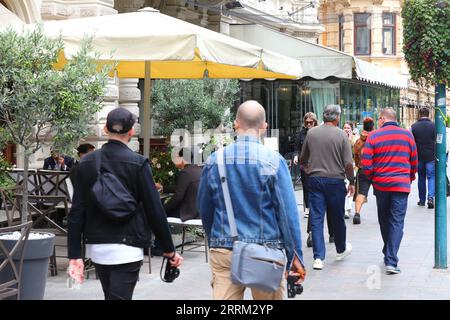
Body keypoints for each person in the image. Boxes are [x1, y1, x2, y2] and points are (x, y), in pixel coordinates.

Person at [67, 107, 183, 300]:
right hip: (129, 247)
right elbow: (155, 211)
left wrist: (74, 254)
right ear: (131, 132)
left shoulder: (86, 164)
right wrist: (170, 251)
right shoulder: (138, 163)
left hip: (97, 248)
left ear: (105, 129)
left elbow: (77, 211)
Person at [197, 100, 306, 300]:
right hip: (266, 251)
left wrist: (216, 238)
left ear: (236, 124)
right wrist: (295, 254)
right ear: (264, 127)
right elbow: (287, 213)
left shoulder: (215, 160)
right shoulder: (274, 161)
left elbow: (205, 208)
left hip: (224, 248)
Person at [361, 108, 417, 274]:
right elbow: (414, 159)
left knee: (384, 219)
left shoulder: (374, 136)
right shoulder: (407, 136)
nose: (378, 122)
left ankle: (389, 254)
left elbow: (366, 163)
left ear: (383, 119)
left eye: (379, 119)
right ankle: (391, 257)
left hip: (381, 185)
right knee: (397, 221)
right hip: (401, 185)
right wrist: (410, 177)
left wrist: (373, 178)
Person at [300, 104, 355, 271]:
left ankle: (318, 258)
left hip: (315, 180)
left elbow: (303, 158)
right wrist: (351, 181)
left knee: (316, 218)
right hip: (335, 181)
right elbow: (347, 163)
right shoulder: (342, 135)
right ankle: (340, 248)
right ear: (337, 117)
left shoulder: (312, 133)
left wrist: (309, 169)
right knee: (337, 216)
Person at [293, 112, 335, 247]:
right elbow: (300, 151)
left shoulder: (318, 134)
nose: (309, 124)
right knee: (315, 200)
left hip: (320, 170)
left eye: (312, 122)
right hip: (315, 171)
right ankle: (313, 233)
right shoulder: (305, 134)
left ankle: (330, 233)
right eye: (307, 122)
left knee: (322, 203)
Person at [162, 149, 202, 221]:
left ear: (182, 159)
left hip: (188, 213)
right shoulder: (197, 169)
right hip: (199, 211)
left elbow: (178, 197)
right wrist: (163, 188)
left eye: (177, 157)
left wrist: (163, 209)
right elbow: (183, 188)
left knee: (157, 213)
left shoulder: (185, 172)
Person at [411, 107, 436, 209]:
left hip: (419, 157)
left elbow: (411, 142)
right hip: (431, 156)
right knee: (431, 177)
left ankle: (421, 200)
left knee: (421, 178)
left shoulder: (414, 127)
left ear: (419, 114)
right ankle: (430, 197)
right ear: (428, 114)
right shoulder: (434, 126)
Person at [352, 117, 375, 225]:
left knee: (361, 193)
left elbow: (355, 155)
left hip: (363, 170)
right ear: (373, 126)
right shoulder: (376, 138)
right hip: (376, 170)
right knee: (380, 193)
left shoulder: (358, 141)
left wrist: (359, 164)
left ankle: (357, 213)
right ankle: (384, 214)